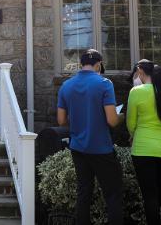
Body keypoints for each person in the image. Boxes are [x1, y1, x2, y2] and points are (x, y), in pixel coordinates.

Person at [57, 49, 124, 225]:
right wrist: (121, 116)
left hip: (78, 147)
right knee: (113, 193)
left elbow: (61, 120)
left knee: (84, 192)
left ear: (81, 64)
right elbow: (111, 120)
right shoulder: (104, 83)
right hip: (101, 148)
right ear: (99, 64)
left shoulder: (66, 86)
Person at [127, 61, 161, 225]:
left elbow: (130, 123)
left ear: (140, 71)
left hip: (143, 150)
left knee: (150, 197)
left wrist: (132, 135)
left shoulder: (136, 91)